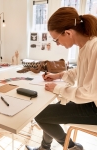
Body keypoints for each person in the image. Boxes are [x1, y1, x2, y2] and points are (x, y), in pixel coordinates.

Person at [26, 7, 97, 150]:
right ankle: (45, 147)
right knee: (47, 113)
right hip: (89, 102)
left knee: (40, 115)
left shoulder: (94, 48)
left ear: (68, 33)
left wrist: (58, 87)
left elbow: (90, 92)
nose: (58, 44)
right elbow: (81, 70)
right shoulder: (85, 46)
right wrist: (58, 76)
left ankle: (71, 147)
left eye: (56, 40)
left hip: (93, 107)